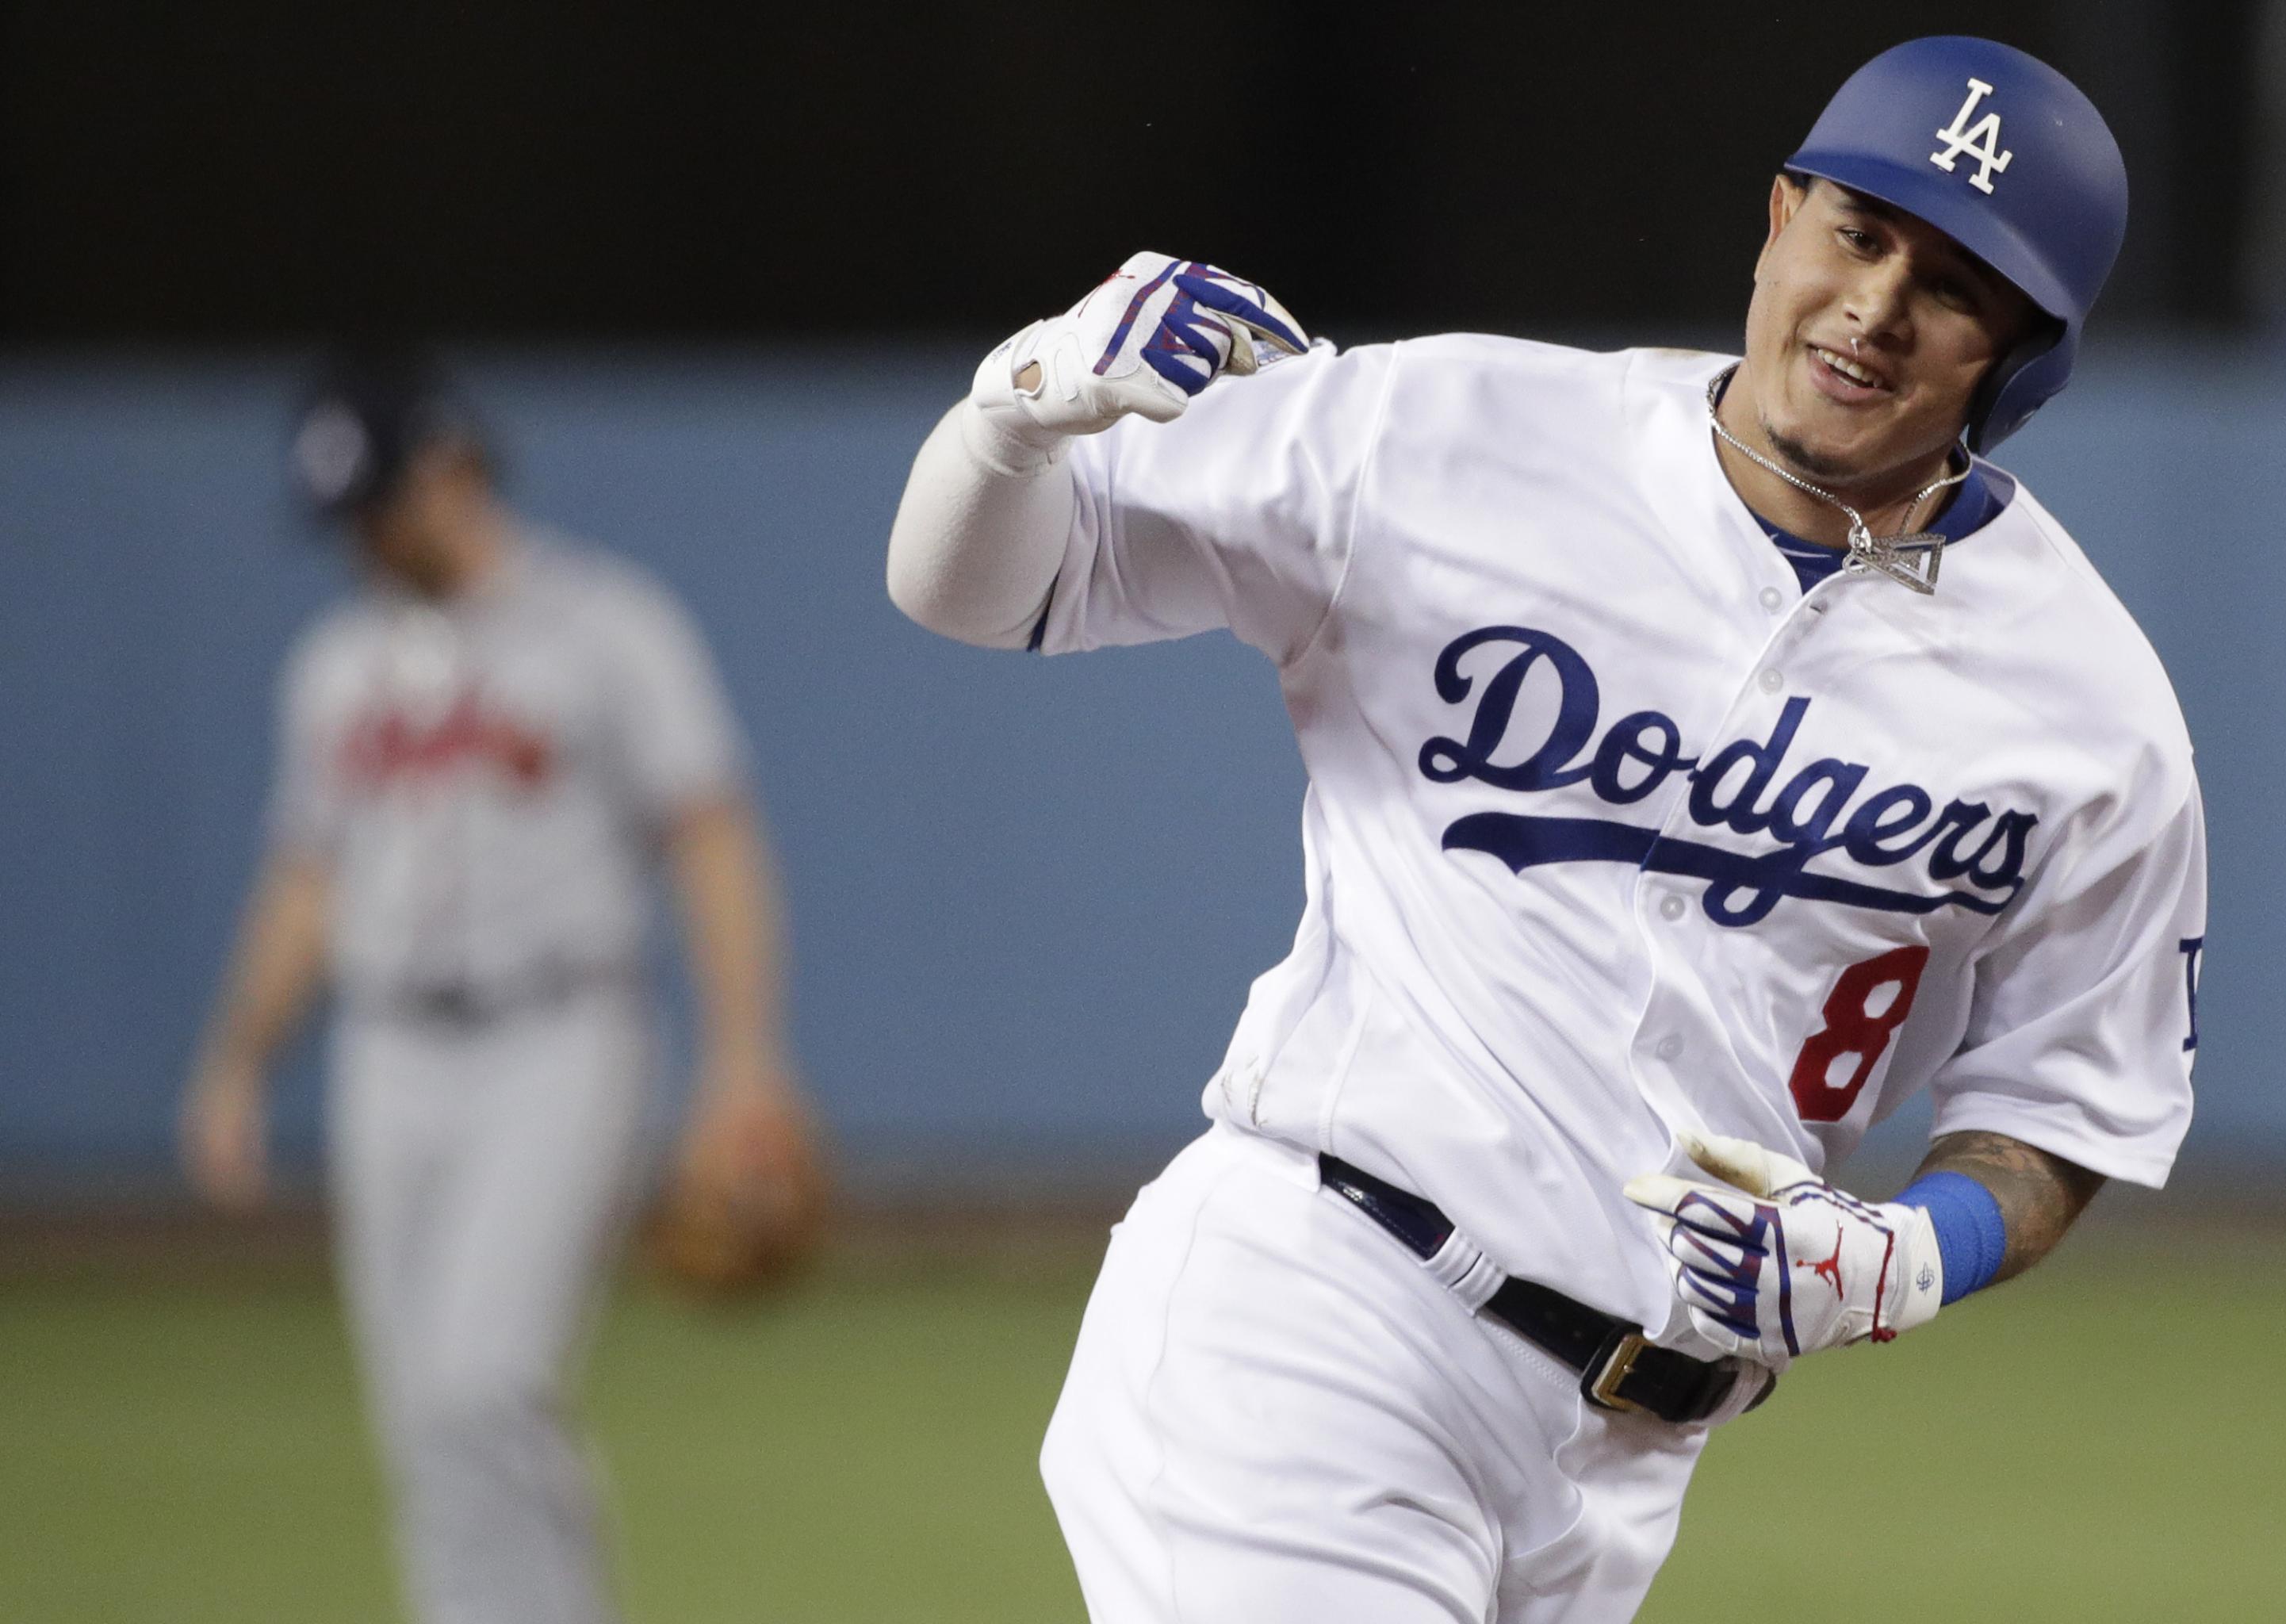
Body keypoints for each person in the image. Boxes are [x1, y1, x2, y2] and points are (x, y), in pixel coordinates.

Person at [885, 33, 2204, 1622]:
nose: (1875, 305)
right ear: (1779, 217)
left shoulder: (2090, 706)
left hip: (1624, 1467)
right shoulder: (1452, 431)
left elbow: (2071, 1106)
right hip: (1321, 1316)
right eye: (1859, 233)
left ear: (2028, 357)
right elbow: (980, 586)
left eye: (1953, 284)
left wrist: (1912, 1252)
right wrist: (1016, 414)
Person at [180, 353, 817, 1624]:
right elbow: (308, 881)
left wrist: (744, 1059)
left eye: (377, 502)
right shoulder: (336, 665)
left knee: (484, 1383)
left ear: (449, 466)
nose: (361, 537)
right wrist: (237, 1059)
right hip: (387, 1053)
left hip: (560, 1035)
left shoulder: (606, 625)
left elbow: (713, 839)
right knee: (422, 1420)